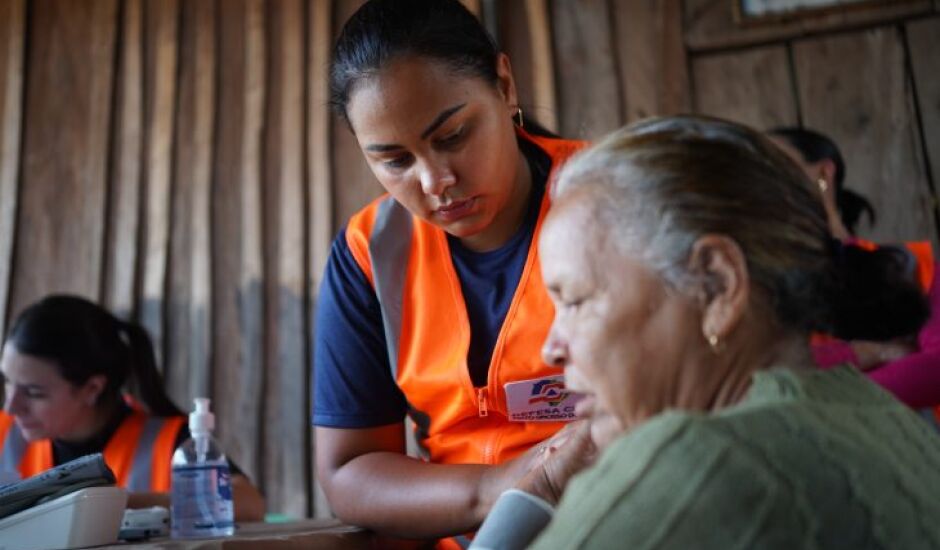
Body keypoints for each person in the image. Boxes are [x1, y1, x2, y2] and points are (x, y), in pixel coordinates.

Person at [470, 116, 940, 549]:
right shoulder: (881, 412)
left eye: (575, 301)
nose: (551, 348)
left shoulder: (699, 461)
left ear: (717, 285)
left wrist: (543, 490)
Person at [312, 0, 588, 542]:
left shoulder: (612, 194)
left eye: (454, 135)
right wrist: (503, 489)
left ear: (505, 87)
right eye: (395, 160)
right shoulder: (371, 252)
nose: (435, 180)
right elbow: (349, 469)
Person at [0, 294, 265, 520]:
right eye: (8, 382)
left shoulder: (167, 441)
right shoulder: (5, 430)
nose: (11, 406)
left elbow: (249, 503)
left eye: (34, 393)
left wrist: (121, 504)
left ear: (92, 389)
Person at [768, 127, 940, 410]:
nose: (760, 184)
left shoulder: (910, 266)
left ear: (823, 175)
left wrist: (819, 386)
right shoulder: (757, 293)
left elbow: (935, 368)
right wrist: (867, 352)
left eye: (772, 164)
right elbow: (763, 378)